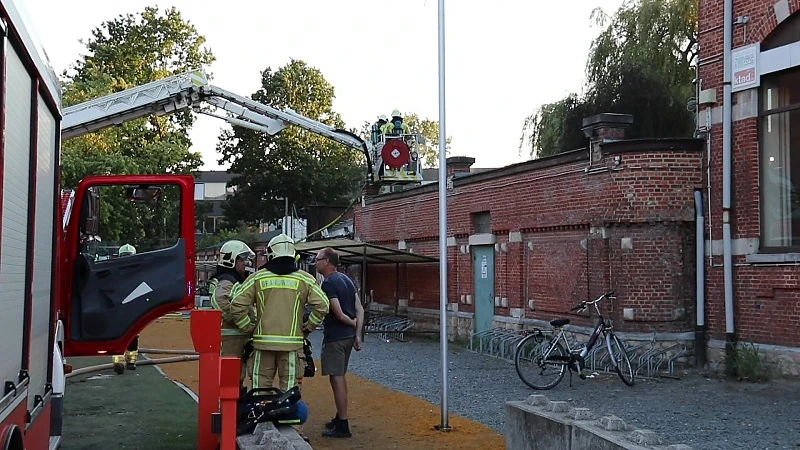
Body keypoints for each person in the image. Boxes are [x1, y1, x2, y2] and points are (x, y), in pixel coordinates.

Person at [228, 233, 329, 393]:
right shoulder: (305, 279)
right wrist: (308, 327)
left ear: (271, 254)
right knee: (289, 391)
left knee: (260, 389)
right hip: (292, 346)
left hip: (262, 344)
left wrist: (248, 327)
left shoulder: (257, 278)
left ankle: (260, 415)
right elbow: (323, 305)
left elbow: (237, 304)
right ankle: (287, 417)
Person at [314, 247, 364, 439]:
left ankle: (343, 424)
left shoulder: (328, 284)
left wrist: (351, 323)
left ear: (327, 261)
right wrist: (357, 333)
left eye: (318, 259)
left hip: (335, 337)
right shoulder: (347, 280)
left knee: (337, 378)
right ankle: (339, 416)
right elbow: (359, 309)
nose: (315, 262)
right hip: (349, 338)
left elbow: (339, 313)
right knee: (340, 375)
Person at [208, 239, 255, 386]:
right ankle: (230, 408)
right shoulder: (226, 282)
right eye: (242, 259)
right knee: (231, 377)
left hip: (238, 336)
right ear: (231, 260)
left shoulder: (232, 280)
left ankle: (236, 406)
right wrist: (244, 323)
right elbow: (220, 303)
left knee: (237, 375)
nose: (245, 263)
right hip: (232, 336)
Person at [112, 244, 140, 374]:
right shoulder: (116, 270)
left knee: (132, 334)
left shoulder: (137, 271)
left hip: (128, 307)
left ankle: (129, 361)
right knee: (124, 334)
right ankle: (121, 361)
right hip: (125, 307)